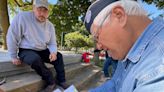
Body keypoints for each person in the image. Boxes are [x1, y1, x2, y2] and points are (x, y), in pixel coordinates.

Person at [84, 0, 164, 92]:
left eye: (97, 36)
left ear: (119, 15)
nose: (99, 46)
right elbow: (115, 84)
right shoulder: (128, 49)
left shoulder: (158, 65)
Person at [6, 0, 69, 91]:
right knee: (35, 59)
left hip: (42, 50)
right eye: (39, 9)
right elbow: (12, 36)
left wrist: (53, 52)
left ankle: (61, 80)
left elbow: (52, 43)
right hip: (26, 50)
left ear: (48, 12)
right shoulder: (23, 17)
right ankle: (50, 81)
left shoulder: (50, 26)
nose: (42, 13)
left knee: (59, 56)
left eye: (45, 10)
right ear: (33, 9)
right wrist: (13, 56)